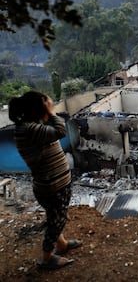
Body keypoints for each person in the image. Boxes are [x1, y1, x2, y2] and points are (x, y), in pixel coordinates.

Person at [8, 91, 82, 270]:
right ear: (37, 110)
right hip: (53, 186)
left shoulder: (30, 127)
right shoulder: (30, 129)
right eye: (48, 105)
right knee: (57, 220)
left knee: (54, 217)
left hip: (51, 184)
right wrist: (52, 113)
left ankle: (62, 244)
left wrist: (47, 113)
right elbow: (61, 131)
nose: (51, 107)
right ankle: (47, 257)